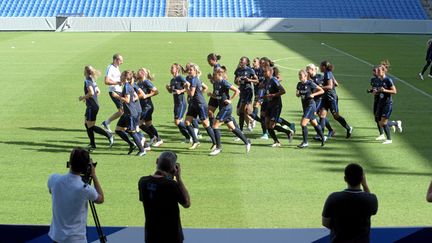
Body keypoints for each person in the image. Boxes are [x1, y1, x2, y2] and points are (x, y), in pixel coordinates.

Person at [48, 147, 104, 243]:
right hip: (77, 239)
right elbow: (100, 198)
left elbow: (52, 191)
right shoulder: (85, 189)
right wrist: (94, 176)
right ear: (87, 167)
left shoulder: (54, 179)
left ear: (70, 163)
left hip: (57, 238)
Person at [138, 151, 190, 243]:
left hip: (151, 235)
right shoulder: (171, 185)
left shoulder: (143, 182)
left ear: (157, 161)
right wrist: (178, 179)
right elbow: (186, 203)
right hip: (172, 236)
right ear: (174, 168)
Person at [322, 163, 378, 243]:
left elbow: (325, 222)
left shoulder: (333, 198)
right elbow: (370, 201)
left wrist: (339, 229)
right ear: (362, 178)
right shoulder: (371, 199)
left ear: (345, 179)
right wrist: (365, 185)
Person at [209, 67, 251, 156]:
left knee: (215, 126)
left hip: (226, 108)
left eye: (214, 74)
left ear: (219, 74)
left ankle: (218, 148)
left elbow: (237, 91)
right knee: (232, 128)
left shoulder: (224, 82)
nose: (213, 76)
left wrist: (230, 100)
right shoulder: (215, 83)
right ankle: (247, 142)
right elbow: (218, 96)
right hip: (222, 108)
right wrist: (212, 95)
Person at [79, 66, 113, 151]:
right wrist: (89, 98)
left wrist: (83, 97)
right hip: (92, 105)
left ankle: (108, 135)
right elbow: (98, 91)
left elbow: (92, 92)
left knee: (91, 126)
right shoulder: (92, 79)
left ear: (85, 71)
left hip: (92, 107)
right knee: (87, 124)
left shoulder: (88, 81)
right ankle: (92, 144)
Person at [184, 63, 217, 150]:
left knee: (205, 124)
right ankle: (196, 141)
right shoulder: (188, 78)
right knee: (187, 122)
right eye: (189, 70)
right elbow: (205, 87)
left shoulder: (195, 80)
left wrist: (187, 88)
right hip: (193, 104)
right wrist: (200, 93)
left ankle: (215, 143)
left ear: (195, 71)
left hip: (200, 104)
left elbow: (191, 93)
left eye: (191, 70)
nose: (189, 71)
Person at [115, 70, 146, 156]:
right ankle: (132, 144)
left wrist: (118, 96)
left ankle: (142, 150)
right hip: (127, 113)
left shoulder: (127, 87)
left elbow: (128, 100)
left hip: (130, 114)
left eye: (121, 76)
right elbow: (135, 96)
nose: (120, 77)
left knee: (132, 131)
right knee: (118, 130)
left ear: (125, 77)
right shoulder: (128, 86)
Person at [319, 61, 353, 139]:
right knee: (322, 114)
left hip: (331, 98)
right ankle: (321, 135)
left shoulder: (328, 73)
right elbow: (336, 84)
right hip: (325, 97)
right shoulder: (328, 73)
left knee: (335, 116)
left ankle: (348, 128)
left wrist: (320, 87)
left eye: (321, 66)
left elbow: (330, 86)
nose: (320, 67)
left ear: (324, 67)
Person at [262, 66, 293, 148]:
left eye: (265, 72)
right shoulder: (266, 81)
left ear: (270, 72)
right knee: (267, 124)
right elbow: (268, 93)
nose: (264, 73)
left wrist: (273, 95)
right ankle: (284, 135)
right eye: (263, 72)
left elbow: (283, 91)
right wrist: (263, 97)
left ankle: (281, 138)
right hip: (269, 105)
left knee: (271, 126)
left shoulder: (274, 80)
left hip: (276, 105)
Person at [374, 61, 402, 144]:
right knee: (379, 121)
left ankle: (389, 139)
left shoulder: (388, 80)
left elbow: (394, 91)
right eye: (377, 70)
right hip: (380, 103)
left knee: (383, 122)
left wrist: (385, 90)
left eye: (379, 71)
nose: (377, 72)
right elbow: (379, 90)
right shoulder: (379, 80)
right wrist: (376, 91)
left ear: (383, 71)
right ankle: (395, 123)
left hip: (387, 104)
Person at [295, 69, 325, 148]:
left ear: (305, 76)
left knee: (303, 123)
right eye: (299, 76)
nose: (299, 77)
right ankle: (322, 137)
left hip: (311, 105)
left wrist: (313, 95)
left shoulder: (310, 83)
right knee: (314, 123)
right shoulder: (299, 84)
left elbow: (322, 91)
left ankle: (305, 142)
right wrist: (298, 94)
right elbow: (297, 94)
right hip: (305, 106)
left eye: (301, 76)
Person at [136, 68, 163, 147]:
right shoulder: (139, 82)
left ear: (144, 74)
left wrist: (146, 96)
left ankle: (157, 139)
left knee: (138, 123)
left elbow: (156, 91)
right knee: (148, 124)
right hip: (143, 106)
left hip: (147, 107)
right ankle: (154, 138)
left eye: (140, 71)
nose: (138, 72)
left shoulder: (146, 82)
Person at [166, 63, 191, 143]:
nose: (170, 69)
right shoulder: (172, 80)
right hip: (176, 103)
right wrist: (168, 88)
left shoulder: (180, 77)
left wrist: (181, 90)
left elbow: (188, 85)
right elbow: (171, 92)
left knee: (177, 121)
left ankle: (191, 134)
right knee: (177, 122)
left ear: (177, 69)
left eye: (172, 68)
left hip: (181, 102)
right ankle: (188, 137)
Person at [102, 53, 124, 133]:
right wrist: (117, 83)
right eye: (120, 60)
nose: (122, 62)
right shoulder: (110, 68)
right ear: (115, 60)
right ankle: (107, 122)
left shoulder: (117, 67)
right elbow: (106, 81)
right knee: (122, 111)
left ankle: (123, 127)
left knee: (125, 110)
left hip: (119, 90)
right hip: (114, 91)